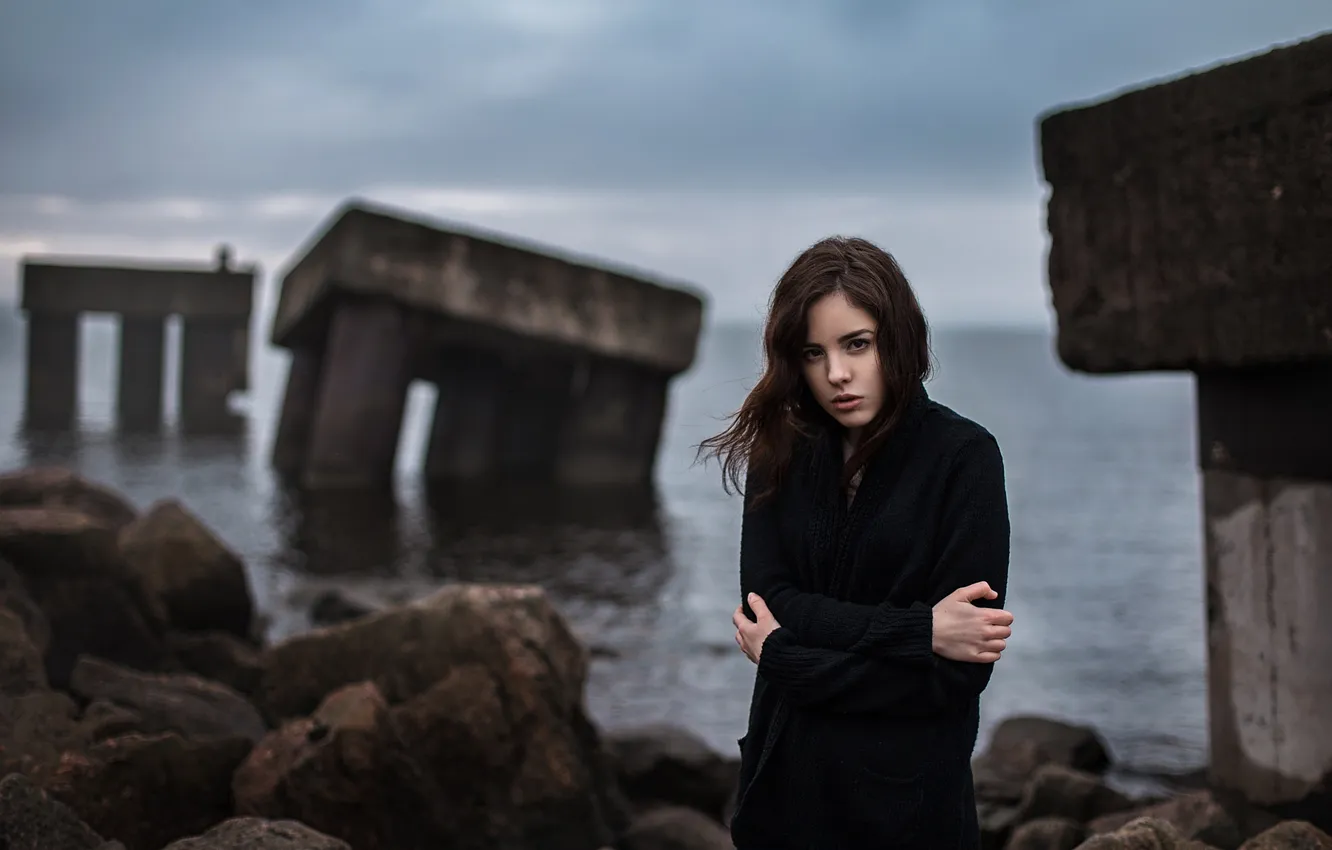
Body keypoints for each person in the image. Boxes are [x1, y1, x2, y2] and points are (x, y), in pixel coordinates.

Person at [698, 236, 1014, 849]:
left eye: (857, 345)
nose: (836, 373)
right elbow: (769, 603)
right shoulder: (781, 450)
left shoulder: (964, 458)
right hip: (783, 804)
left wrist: (787, 659)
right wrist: (918, 632)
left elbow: (950, 681)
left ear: (897, 338)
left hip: (908, 816)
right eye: (814, 353)